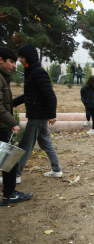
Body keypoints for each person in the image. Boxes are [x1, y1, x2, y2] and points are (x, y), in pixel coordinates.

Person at [13, 44, 63, 181]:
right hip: (38, 114)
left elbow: (50, 95)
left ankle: (15, 175)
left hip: (37, 115)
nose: (19, 60)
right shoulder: (31, 72)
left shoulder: (38, 72)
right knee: (46, 143)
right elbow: (28, 95)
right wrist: (13, 103)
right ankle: (57, 169)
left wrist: (52, 114)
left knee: (25, 145)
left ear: (27, 57)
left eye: (21, 57)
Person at [0, 47, 33, 206]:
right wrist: (12, 123)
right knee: (9, 160)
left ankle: (9, 192)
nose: (14, 65)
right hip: (2, 126)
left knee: (8, 159)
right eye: (11, 62)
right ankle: (9, 194)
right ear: (1, 60)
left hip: (3, 125)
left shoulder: (3, 77)